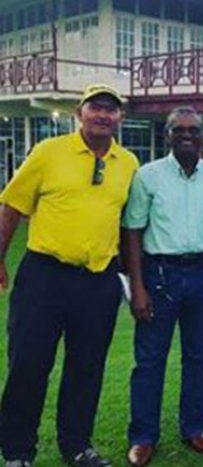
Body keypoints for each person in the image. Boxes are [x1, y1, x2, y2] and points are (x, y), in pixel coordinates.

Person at [0, 84, 139, 467]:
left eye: (112, 110)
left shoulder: (127, 163)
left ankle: (77, 445)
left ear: (120, 118)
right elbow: (12, 205)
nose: (103, 115)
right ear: (81, 113)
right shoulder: (49, 152)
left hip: (98, 281)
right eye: (96, 107)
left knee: (87, 367)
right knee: (29, 363)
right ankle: (17, 451)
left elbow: (129, 225)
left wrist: (133, 280)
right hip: (44, 276)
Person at [122, 106, 203, 466]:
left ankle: (194, 427)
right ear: (166, 135)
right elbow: (133, 232)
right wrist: (137, 287)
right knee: (150, 359)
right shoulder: (147, 176)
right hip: (159, 275)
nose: (187, 136)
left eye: (194, 131)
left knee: (199, 357)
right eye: (178, 130)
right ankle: (143, 436)